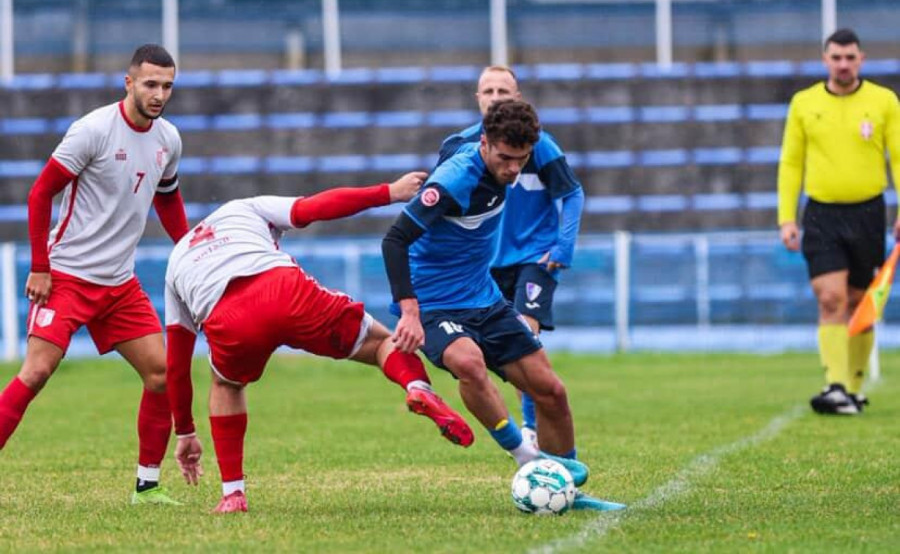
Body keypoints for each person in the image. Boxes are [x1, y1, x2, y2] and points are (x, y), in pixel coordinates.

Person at [165, 172, 474, 514]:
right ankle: (417, 387)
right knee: (380, 343)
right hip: (282, 288)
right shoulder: (243, 209)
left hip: (228, 319)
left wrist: (185, 431)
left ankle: (233, 494)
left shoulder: (176, 261)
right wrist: (389, 192)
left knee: (226, 384)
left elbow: (176, 364)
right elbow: (315, 208)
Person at [383, 99, 622, 511]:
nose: (514, 169)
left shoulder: (520, 160)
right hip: (435, 305)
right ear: (485, 143)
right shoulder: (455, 179)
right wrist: (409, 311)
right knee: (469, 363)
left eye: (522, 160)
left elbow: (569, 189)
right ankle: (527, 459)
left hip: (485, 298)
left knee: (552, 392)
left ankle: (567, 490)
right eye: (506, 158)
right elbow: (394, 240)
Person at [0, 44, 190, 504]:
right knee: (37, 371)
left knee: (162, 374)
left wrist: (190, 250)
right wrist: (41, 267)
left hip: (119, 285)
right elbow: (40, 194)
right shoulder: (92, 130)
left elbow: (167, 198)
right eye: (150, 83)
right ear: (129, 83)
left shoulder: (170, 139)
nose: (159, 93)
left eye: (166, 85)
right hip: (66, 277)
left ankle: (146, 488)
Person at [438, 65, 585, 447]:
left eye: (504, 91)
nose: (496, 97)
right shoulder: (460, 146)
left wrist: (563, 247)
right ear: (477, 98)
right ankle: (522, 429)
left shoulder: (539, 145)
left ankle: (533, 431)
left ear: (517, 98)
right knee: (491, 357)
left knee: (524, 332)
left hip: (535, 257)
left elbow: (572, 193)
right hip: (484, 265)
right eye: (488, 91)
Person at [778, 28, 900, 415]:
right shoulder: (804, 103)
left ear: (861, 59)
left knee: (860, 302)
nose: (843, 64)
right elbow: (791, 162)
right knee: (830, 298)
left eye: (850, 57)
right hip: (821, 215)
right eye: (836, 57)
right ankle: (835, 384)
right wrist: (786, 217)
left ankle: (854, 387)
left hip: (868, 213)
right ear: (825, 59)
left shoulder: (884, 101)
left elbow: (897, 157)